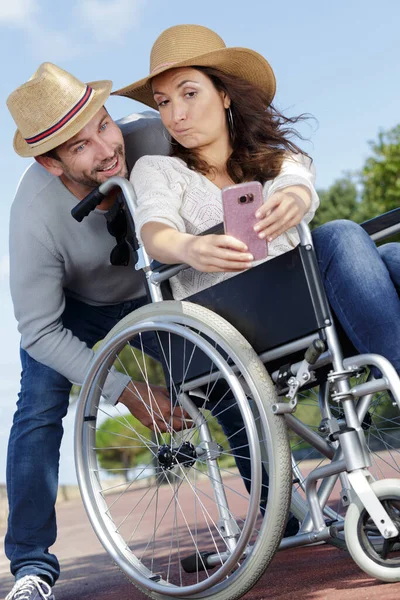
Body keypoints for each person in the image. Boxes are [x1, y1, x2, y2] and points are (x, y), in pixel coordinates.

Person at [114, 23, 400, 376]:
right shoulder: (157, 168)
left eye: (189, 94)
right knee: (341, 236)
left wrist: (294, 199)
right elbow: (155, 230)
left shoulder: (273, 159)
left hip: (310, 302)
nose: (176, 116)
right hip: (234, 321)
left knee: (391, 257)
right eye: (164, 102)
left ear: (224, 95)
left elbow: (295, 182)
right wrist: (188, 248)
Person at [4, 63, 187, 600]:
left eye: (103, 125)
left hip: (162, 286)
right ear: (50, 161)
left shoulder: (153, 137)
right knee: (37, 406)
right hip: (75, 309)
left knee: (227, 369)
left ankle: (276, 509)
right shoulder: (32, 216)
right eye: (80, 148)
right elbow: (38, 330)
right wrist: (125, 391)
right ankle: (31, 567)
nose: (107, 149)